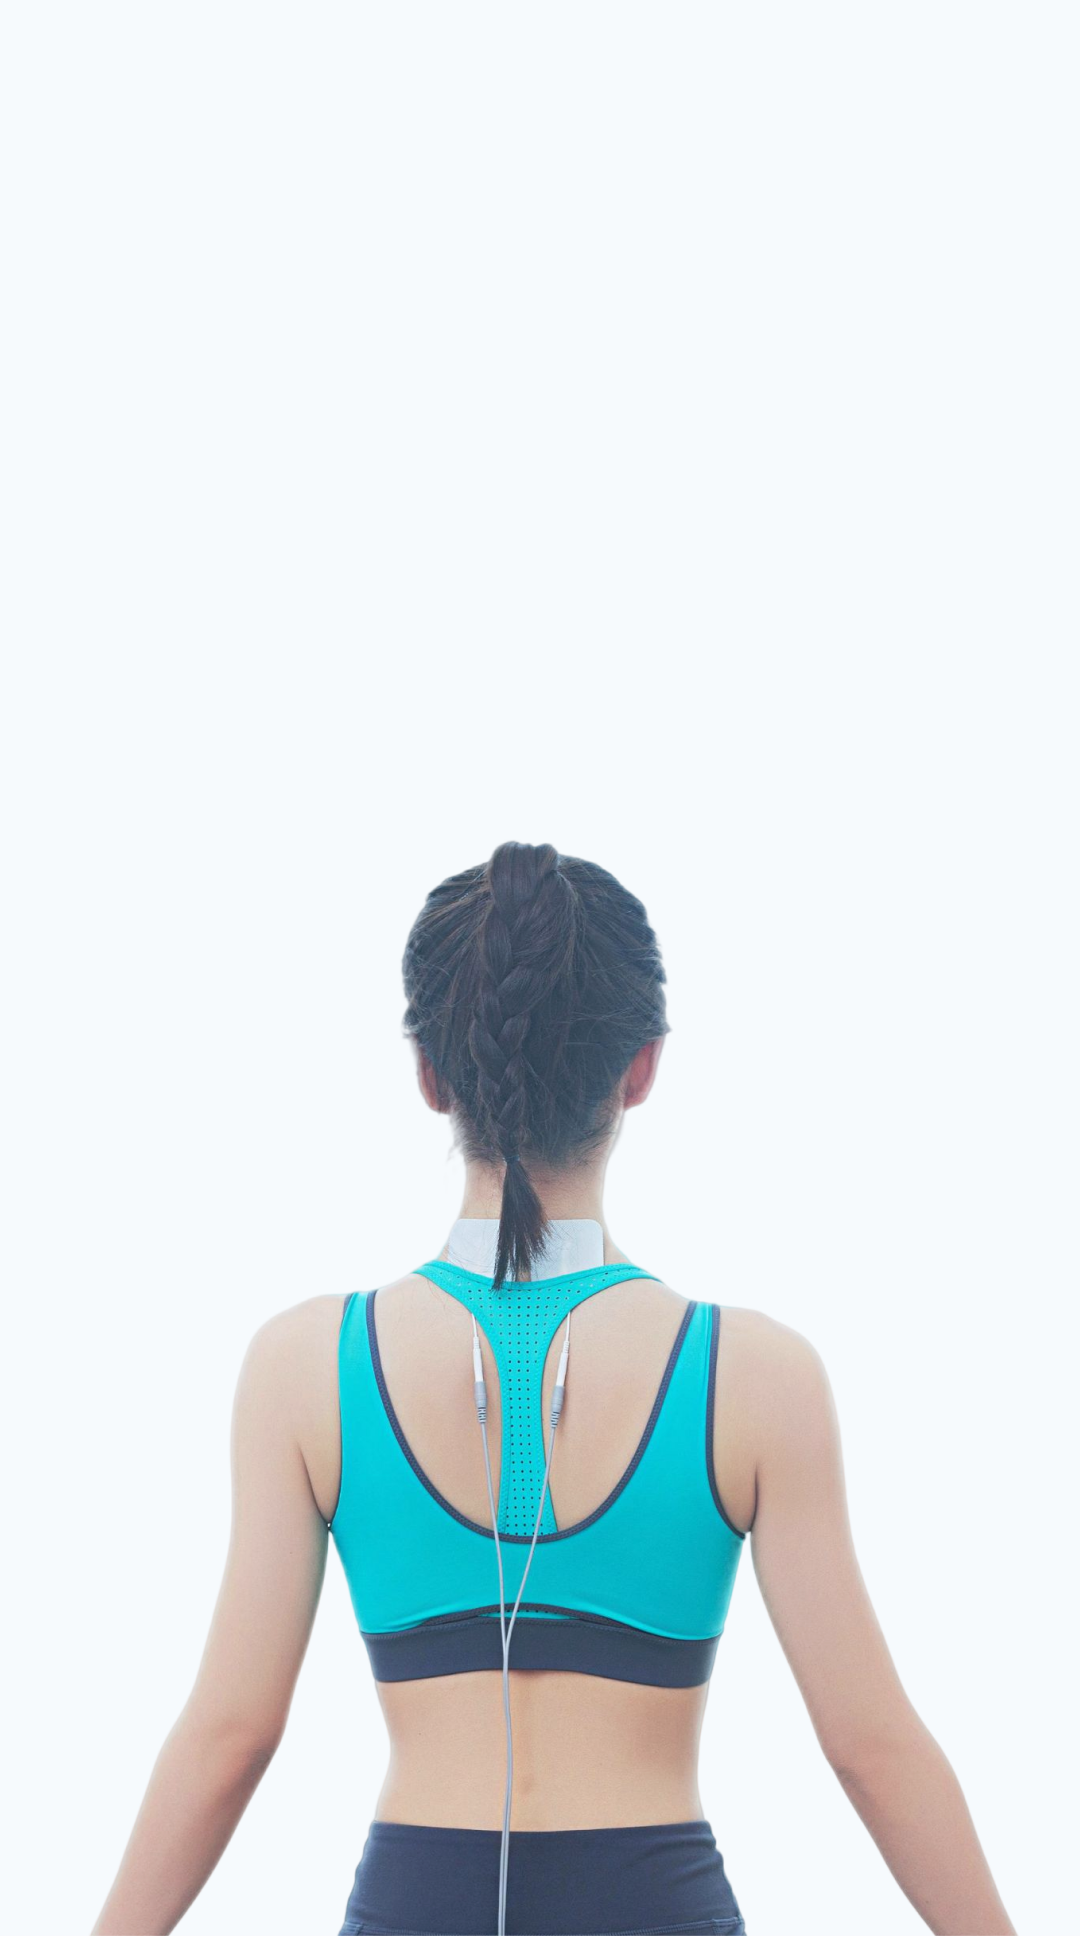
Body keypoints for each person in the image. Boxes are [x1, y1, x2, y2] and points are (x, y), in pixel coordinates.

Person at [90, 841, 1019, 1936]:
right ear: (643, 1068)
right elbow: (872, 1748)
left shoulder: (306, 1367)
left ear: (431, 1075)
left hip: (416, 1905)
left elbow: (229, 1736)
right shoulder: (755, 1377)